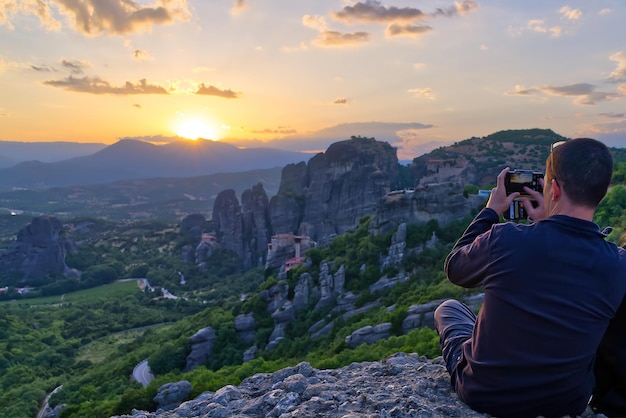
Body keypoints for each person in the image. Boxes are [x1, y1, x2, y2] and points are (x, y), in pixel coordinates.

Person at [433, 138, 626, 418]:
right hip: (565, 402)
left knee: (448, 309)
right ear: (603, 191)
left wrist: (491, 210)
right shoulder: (618, 264)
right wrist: (544, 225)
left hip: (483, 393)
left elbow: (455, 268)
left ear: (555, 189)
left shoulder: (506, 238)